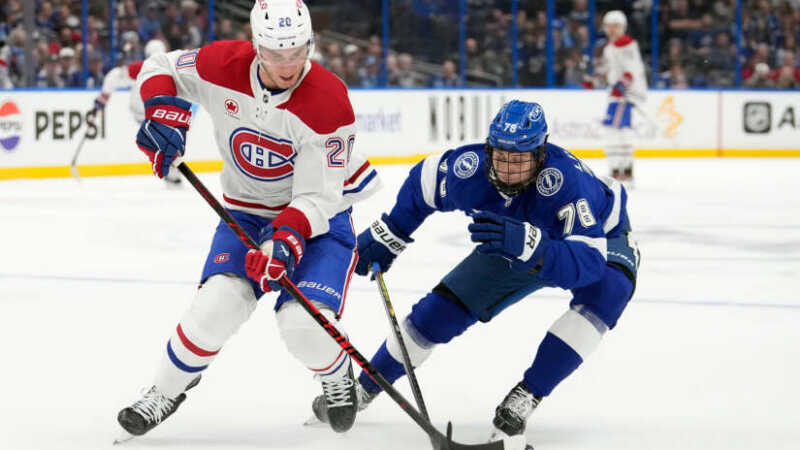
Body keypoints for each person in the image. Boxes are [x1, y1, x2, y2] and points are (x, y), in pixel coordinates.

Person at [115, 0, 380, 440]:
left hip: (318, 220)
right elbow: (160, 66)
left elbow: (318, 195)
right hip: (246, 213)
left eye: (297, 51)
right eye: (275, 53)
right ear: (256, 45)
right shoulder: (222, 64)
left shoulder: (328, 100)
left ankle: (336, 374)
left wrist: (283, 243)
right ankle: (165, 390)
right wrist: (161, 111)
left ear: (310, 43)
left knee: (302, 324)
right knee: (215, 307)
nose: (288, 65)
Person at [312, 100, 639, 449]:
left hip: (601, 239)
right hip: (514, 238)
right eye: (501, 156)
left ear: (541, 155)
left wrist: (535, 248)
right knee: (437, 314)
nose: (508, 169)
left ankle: (527, 395)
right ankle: (366, 387)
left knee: (610, 291)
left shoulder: (566, 184)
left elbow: (588, 264)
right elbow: (425, 180)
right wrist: (393, 230)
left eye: (519, 160)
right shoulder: (470, 170)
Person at [92, 38, 183, 186]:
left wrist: (104, 96)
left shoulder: (142, 67)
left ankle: (170, 169)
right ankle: (171, 171)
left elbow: (114, 75)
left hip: (142, 111)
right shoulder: (171, 68)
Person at [595, 10, 647, 187]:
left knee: (616, 131)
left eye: (615, 26)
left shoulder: (625, 44)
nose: (612, 29)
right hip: (618, 94)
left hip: (623, 96)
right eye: (609, 26)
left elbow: (631, 70)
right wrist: (594, 79)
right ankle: (622, 172)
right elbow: (609, 71)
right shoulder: (610, 47)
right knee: (616, 131)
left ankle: (622, 173)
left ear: (623, 27)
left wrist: (622, 85)